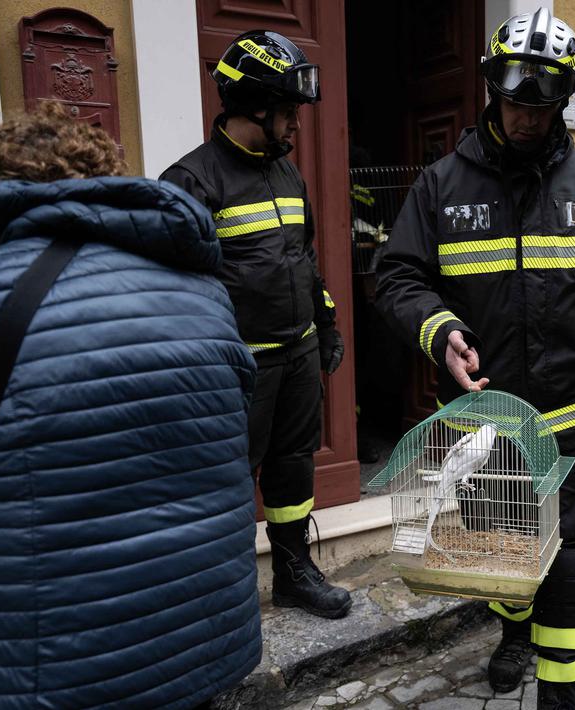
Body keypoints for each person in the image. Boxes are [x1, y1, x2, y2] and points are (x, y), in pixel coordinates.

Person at [0, 104, 260, 709]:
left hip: (47, 668)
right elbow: (223, 456)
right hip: (200, 643)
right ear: (100, 178)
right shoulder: (204, 293)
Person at [374, 9, 575, 708]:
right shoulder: (441, 184)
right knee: (500, 545)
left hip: (568, 414)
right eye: (513, 103)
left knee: (563, 548)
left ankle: (566, 685)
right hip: (482, 418)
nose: (527, 119)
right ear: (492, 93)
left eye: (541, 106)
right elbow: (396, 276)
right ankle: (512, 634)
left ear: (563, 100)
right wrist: (439, 332)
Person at [159, 31, 352, 619]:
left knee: (293, 466)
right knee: (226, 479)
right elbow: (176, 290)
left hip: (298, 353)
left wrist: (325, 324)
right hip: (236, 367)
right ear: (254, 107)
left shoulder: (287, 174)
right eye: (288, 112)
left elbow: (304, 257)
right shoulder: (189, 183)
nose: (296, 125)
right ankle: (225, 591)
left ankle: (294, 571)